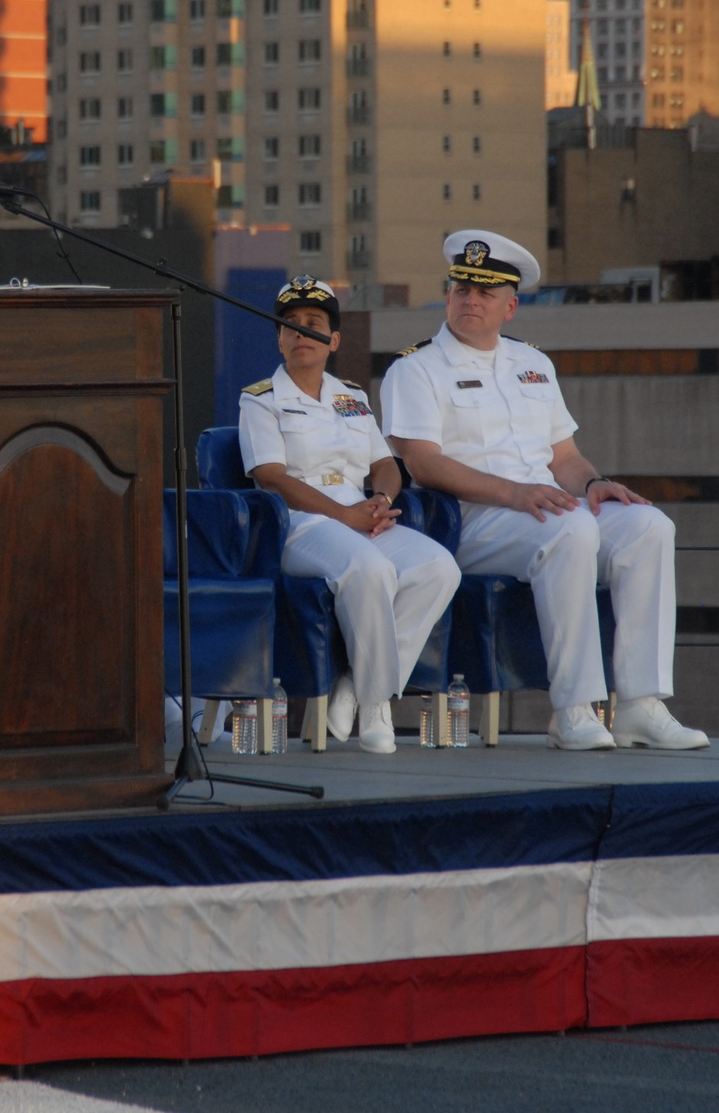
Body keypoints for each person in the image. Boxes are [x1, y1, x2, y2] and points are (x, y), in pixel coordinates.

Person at [382, 229, 708, 751]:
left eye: (485, 293)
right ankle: (573, 708)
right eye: (462, 289)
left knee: (649, 526)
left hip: (544, 508)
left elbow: (564, 459)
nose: (471, 300)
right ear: (448, 295)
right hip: (471, 519)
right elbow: (424, 464)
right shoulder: (415, 368)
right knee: (571, 528)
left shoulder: (533, 364)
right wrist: (513, 493)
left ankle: (640, 704)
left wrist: (597, 483)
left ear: (510, 306)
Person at [238, 275, 461, 753]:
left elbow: (385, 464)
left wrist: (379, 502)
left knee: (438, 567)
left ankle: (354, 687)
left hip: (360, 517)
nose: (301, 333)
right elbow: (272, 476)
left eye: (314, 324)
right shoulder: (259, 399)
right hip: (299, 525)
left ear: (334, 340)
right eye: (291, 325)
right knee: (370, 568)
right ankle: (377, 707)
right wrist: (346, 516)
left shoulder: (352, 397)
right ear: (279, 338)